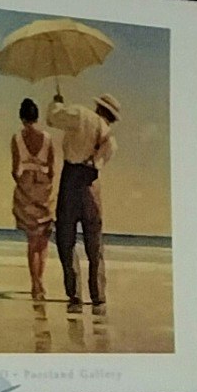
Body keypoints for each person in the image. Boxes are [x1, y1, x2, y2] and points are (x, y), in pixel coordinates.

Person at [48, 92, 118, 312]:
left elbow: (53, 118)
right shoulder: (110, 140)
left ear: (98, 107)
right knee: (94, 243)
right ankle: (98, 297)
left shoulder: (80, 114)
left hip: (70, 180)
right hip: (92, 186)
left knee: (66, 240)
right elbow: (99, 163)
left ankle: (75, 296)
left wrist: (57, 102)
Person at [8, 97, 57, 302]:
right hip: (43, 188)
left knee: (31, 240)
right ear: (36, 116)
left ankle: (34, 283)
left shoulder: (17, 138)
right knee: (43, 241)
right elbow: (52, 170)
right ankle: (40, 281)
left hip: (26, 187)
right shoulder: (47, 138)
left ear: (21, 117)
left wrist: (23, 182)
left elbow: (15, 169)